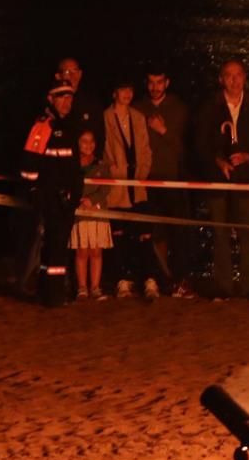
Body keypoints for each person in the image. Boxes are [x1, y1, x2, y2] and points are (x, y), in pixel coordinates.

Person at [193, 59, 249, 299]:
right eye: (229, 75)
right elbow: (200, 143)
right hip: (218, 180)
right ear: (221, 79)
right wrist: (218, 162)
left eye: (238, 75)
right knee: (220, 234)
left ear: (245, 77)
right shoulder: (210, 107)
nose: (234, 80)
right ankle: (223, 286)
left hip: (248, 179)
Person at [21, 82, 82, 306]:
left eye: (70, 98)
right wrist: (34, 190)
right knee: (55, 246)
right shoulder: (44, 126)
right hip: (51, 196)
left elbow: (73, 166)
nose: (67, 102)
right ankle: (54, 295)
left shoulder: (67, 125)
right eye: (62, 97)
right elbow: (29, 160)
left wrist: (75, 192)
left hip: (65, 197)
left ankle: (47, 290)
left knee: (55, 246)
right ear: (50, 99)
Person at [139, 68, 191, 297]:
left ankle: (178, 280)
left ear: (167, 82)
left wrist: (163, 130)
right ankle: (155, 278)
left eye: (159, 82)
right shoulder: (138, 108)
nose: (155, 87)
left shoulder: (178, 108)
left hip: (171, 179)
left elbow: (183, 150)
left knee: (176, 232)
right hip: (146, 179)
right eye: (151, 82)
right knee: (150, 232)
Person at [101, 80, 152, 298]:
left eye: (130, 90)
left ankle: (148, 278)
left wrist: (142, 173)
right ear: (114, 93)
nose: (127, 94)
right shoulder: (105, 117)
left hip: (137, 183)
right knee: (118, 234)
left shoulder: (138, 117)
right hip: (117, 184)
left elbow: (145, 148)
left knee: (144, 233)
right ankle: (122, 279)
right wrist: (112, 170)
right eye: (123, 90)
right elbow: (103, 149)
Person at [69, 129, 111, 300]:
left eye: (91, 140)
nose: (88, 144)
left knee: (96, 252)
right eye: (84, 141)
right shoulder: (71, 164)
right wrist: (79, 200)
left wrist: (92, 201)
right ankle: (82, 287)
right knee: (82, 252)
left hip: (98, 213)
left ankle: (95, 287)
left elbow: (106, 187)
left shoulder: (101, 165)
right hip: (79, 214)